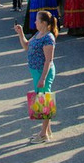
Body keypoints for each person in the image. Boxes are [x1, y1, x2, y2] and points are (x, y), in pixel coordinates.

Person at [13, 10, 57, 144]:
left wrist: (43, 78)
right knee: (42, 100)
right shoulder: (39, 34)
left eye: (37, 20)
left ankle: (43, 133)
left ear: (43, 23)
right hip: (36, 71)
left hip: (43, 72)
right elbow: (26, 46)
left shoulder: (48, 38)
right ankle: (47, 131)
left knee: (45, 102)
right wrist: (20, 33)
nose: (34, 22)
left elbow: (48, 60)